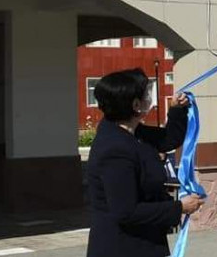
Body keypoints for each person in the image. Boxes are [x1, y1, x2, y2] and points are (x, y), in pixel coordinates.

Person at [87, 69, 204, 257]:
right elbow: (127, 211)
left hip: (144, 243)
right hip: (123, 248)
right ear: (135, 104)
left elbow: (168, 140)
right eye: (146, 94)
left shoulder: (134, 132)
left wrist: (176, 109)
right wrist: (179, 207)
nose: (150, 98)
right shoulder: (114, 149)